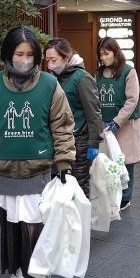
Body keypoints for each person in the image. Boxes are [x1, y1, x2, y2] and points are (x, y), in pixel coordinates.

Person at [0, 27, 75, 278]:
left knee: (32, 230)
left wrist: (64, 162)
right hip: (3, 171)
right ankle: (16, 273)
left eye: (30, 54)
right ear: (8, 55)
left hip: (37, 171)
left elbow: (62, 126)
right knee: (10, 228)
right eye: (19, 54)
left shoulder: (50, 85)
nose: (24, 60)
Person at [44, 38, 101, 195]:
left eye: (53, 59)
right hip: (58, 142)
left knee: (79, 187)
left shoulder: (82, 78)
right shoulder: (53, 78)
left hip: (79, 142)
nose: (50, 64)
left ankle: (82, 219)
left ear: (66, 57)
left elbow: (93, 113)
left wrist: (94, 143)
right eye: (47, 59)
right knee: (60, 187)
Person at [96, 37, 140, 210]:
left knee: (125, 159)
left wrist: (116, 121)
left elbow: (132, 100)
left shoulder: (128, 72)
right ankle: (110, 193)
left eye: (106, 54)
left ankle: (125, 197)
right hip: (104, 124)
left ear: (115, 52)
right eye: (100, 55)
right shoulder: (98, 74)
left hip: (125, 123)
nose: (103, 58)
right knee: (107, 160)